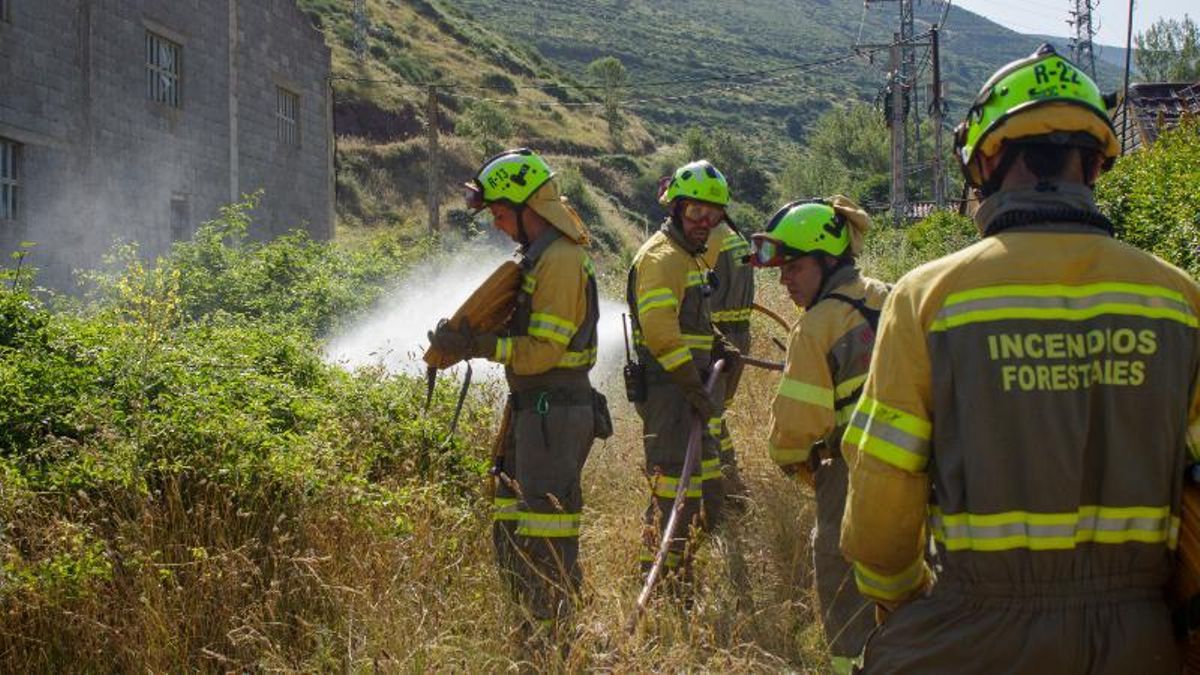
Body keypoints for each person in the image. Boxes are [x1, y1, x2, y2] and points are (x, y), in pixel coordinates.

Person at [840, 44, 1200, 673]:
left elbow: (881, 507)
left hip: (976, 633)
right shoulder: (1180, 301)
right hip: (1142, 638)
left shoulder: (927, 299)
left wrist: (904, 602)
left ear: (985, 161)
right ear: (1095, 162)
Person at [429, 148, 605, 638]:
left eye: (502, 213)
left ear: (530, 207)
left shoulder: (561, 260)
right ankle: (527, 626)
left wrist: (480, 345)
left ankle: (554, 637)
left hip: (553, 410)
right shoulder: (538, 257)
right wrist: (470, 333)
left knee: (546, 527)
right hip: (533, 410)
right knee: (511, 517)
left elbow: (543, 352)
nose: (499, 225)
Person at [748, 196, 882, 674]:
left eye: (795, 267)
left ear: (828, 260)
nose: (785, 279)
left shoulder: (815, 326)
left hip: (850, 476)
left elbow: (791, 435)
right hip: (924, 470)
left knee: (846, 593)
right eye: (781, 269)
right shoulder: (891, 295)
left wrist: (809, 471)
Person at [627, 159, 739, 587]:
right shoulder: (662, 259)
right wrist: (694, 386)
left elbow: (689, 322)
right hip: (670, 392)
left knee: (704, 483)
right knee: (673, 491)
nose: (704, 223)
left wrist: (717, 344)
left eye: (713, 215)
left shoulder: (686, 258)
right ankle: (660, 584)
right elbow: (661, 334)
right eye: (695, 212)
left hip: (688, 391)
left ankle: (686, 571)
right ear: (675, 208)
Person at [703, 213, 755, 500]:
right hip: (738, 337)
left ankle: (723, 491)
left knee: (709, 418)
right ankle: (730, 486)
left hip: (718, 339)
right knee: (716, 416)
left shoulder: (713, 240)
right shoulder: (734, 236)